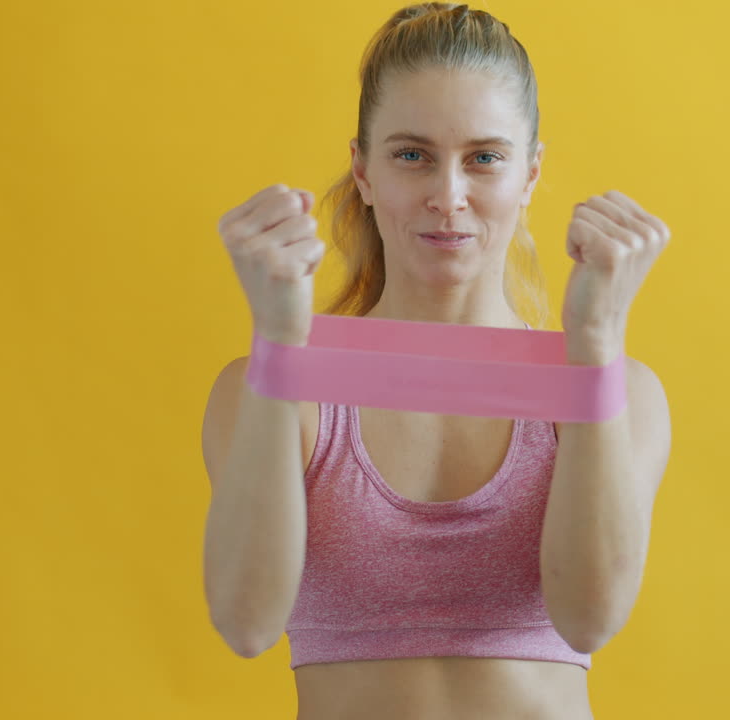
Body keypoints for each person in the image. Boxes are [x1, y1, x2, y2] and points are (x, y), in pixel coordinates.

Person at [204, 4, 671, 718]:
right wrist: (279, 344)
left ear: (531, 173)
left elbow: (590, 617)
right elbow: (245, 623)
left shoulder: (620, 392)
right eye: (412, 154)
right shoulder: (268, 390)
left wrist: (596, 344)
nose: (447, 197)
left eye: (484, 157)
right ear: (363, 170)